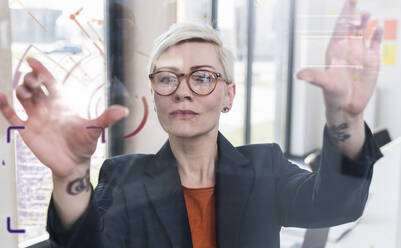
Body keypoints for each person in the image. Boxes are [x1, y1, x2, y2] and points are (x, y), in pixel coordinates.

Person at [0, 0, 384, 247]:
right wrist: (70, 176)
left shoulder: (265, 167)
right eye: (167, 78)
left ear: (228, 95)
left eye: (202, 77)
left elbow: (337, 204)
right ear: (154, 94)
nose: (183, 91)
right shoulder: (124, 176)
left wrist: (345, 116)